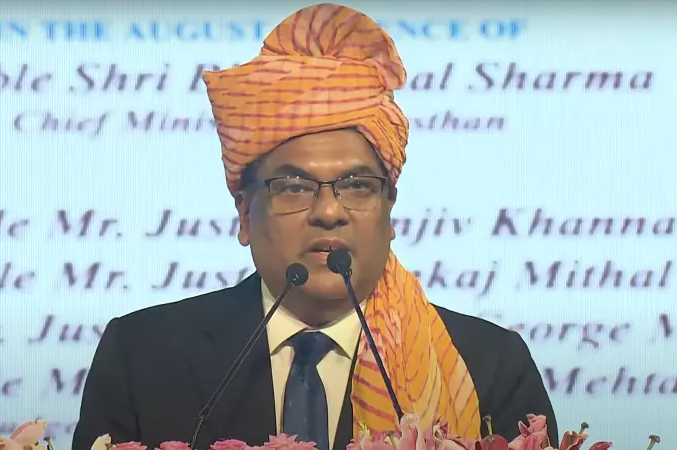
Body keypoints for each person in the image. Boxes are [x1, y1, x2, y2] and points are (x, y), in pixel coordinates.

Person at [71, 4, 558, 450]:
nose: (328, 211)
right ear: (245, 214)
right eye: (294, 187)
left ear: (389, 212)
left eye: (357, 185)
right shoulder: (142, 355)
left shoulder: (489, 366)